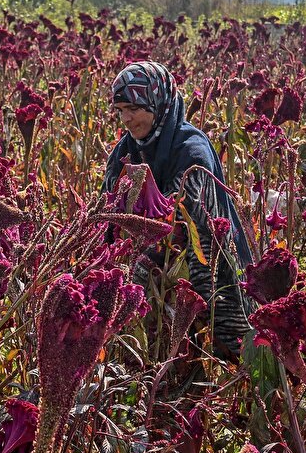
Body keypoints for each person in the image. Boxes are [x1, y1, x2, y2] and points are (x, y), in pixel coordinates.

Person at [102, 61, 254, 361]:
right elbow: (108, 208)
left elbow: (184, 220)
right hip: (148, 270)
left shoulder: (191, 150)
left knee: (221, 349)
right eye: (120, 110)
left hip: (202, 271)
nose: (126, 118)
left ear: (157, 102)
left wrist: (143, 260)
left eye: (133, 107)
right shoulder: (125, 150)